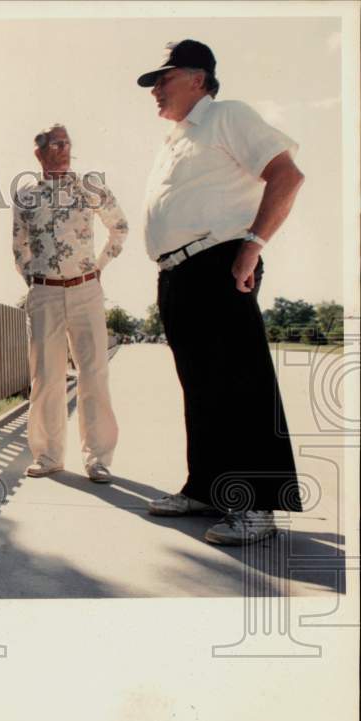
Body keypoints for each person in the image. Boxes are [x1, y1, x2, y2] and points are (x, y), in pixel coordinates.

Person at [137, 40, 305, 544]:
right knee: (202, 386)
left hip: (221, 263)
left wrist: (252, 247)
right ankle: (209, 488)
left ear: (196, 77)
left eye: (162, 80)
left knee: (240, 383)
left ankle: (256, 506)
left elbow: (287, 175)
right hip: (178, 274)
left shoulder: (228, 115)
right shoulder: (178, 139)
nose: (155, 92)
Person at [13, 124, 128, 482]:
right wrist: (33, 278)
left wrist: (99, 267)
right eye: (56, 144)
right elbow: (19, 246)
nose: (64, 149)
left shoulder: (89, 187)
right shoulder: (26, 196)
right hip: (44, 292)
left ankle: (98, 458)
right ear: (40, 152)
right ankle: (48, 455)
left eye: (67, 143)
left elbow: (119, 226)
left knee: (93, 373)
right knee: (46, 376)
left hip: (85, 290)